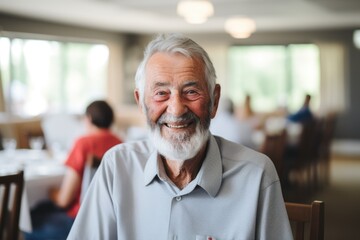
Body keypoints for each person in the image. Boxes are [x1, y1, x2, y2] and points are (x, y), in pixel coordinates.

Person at [67, 33, 293, 239]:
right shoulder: (116, 167)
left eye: (191, 92)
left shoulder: (257, 175)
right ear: (141, 104)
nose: (176, 109)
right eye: (160, 93)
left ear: (214, 101)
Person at [25, 100, 122, 240]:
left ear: (88, 119)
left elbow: (64, 200)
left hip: (79, 222)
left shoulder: (83, 143)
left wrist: (51, 192)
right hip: (110, 220)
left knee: (29, 218)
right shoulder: (120, 143)